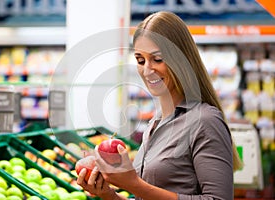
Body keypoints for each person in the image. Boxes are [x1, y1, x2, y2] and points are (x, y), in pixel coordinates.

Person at [77, 11, 243, 200]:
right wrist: (109, 195)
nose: (147, 70)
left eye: (157, 59)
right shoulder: (155, 124)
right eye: (140, 60)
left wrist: (134, 184)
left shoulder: (204, 120)